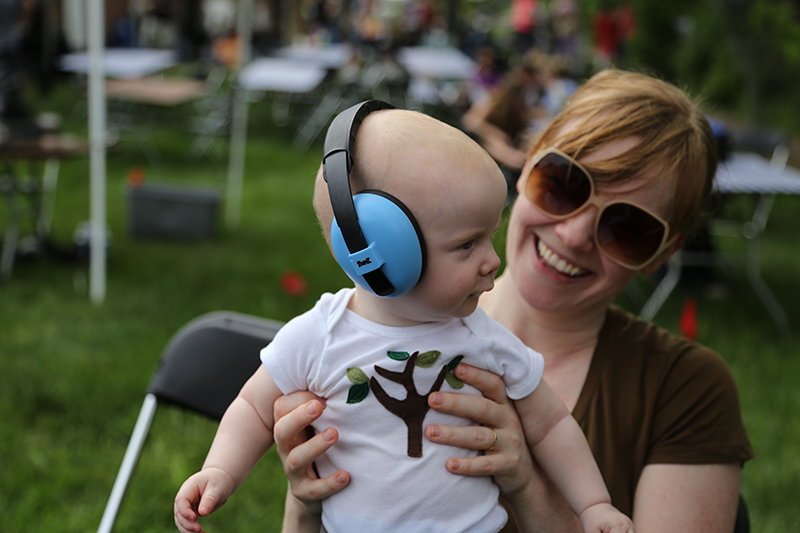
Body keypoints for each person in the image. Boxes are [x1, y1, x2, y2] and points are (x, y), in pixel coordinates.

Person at [274, 69, 754, 533]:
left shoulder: (684, 389)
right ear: (527, 162)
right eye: (564, 183)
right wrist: (307, 503)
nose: (574, 234)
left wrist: (529, 486)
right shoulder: (364, 332)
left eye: (628, 228)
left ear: (662, 253)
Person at [173, 103, 633, 533]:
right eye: (467, 244)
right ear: (379, 252)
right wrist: (219, 470)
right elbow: (253, 408)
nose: (492, 261)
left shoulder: (482, 338)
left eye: (491, 236)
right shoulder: (320, 334)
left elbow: (551, 424)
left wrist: (593, 504)